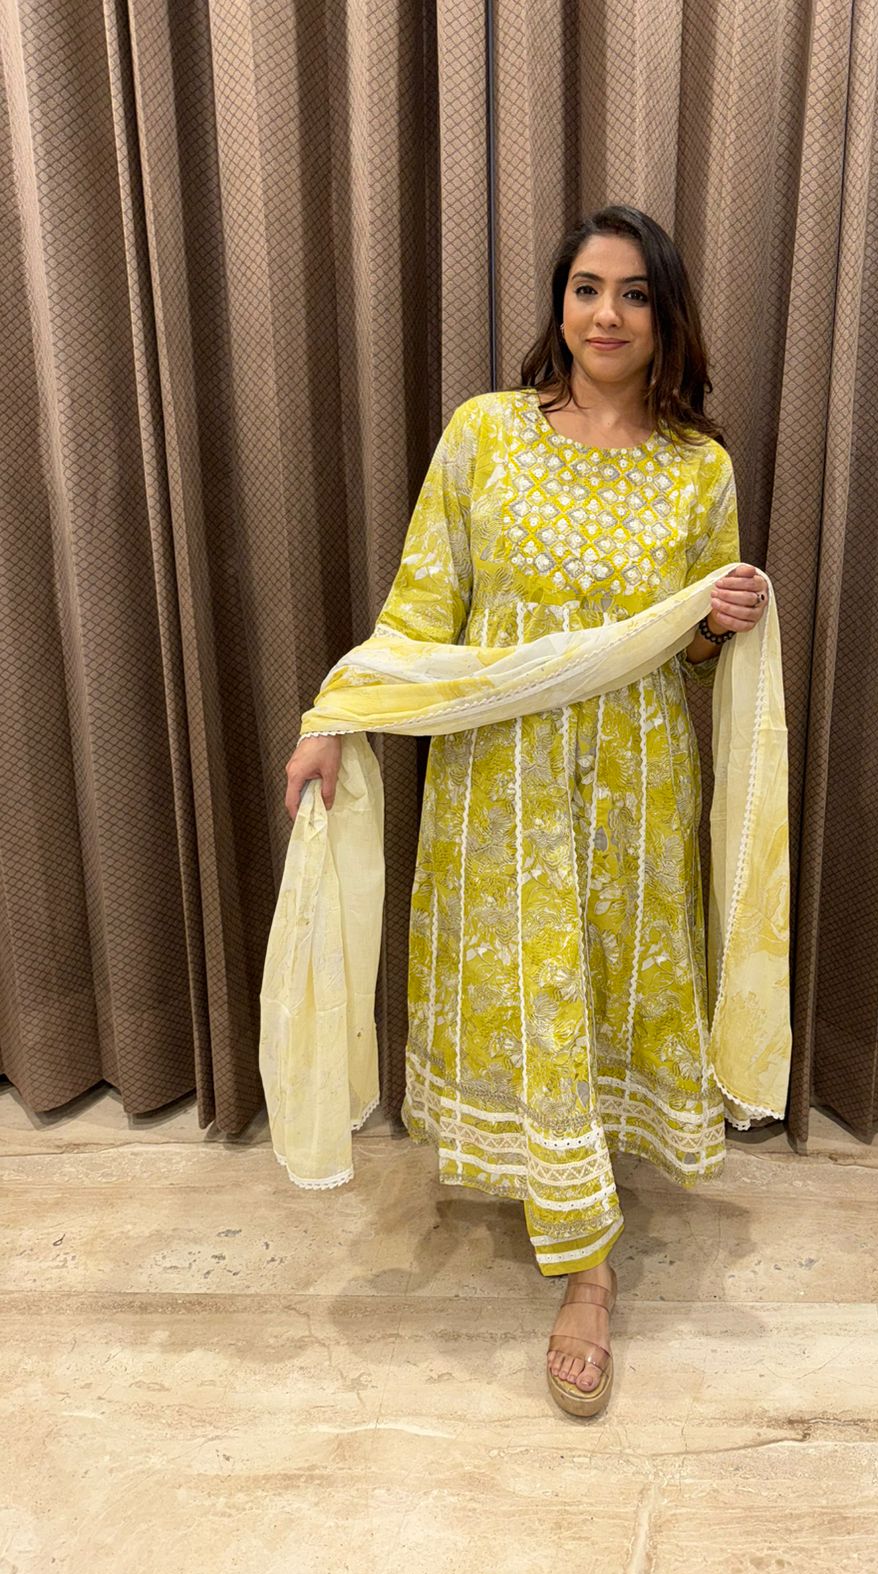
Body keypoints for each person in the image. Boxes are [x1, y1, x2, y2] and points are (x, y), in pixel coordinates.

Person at [282, 204, 770, 1418]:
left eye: (635, 294)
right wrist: (334, 714)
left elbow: (689, 654)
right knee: (535, 990)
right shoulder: (486, 434)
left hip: (634, 788)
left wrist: (719, 624)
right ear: (560, 302)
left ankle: (586, 1237)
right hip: (500, 785)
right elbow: (421, 606)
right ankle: (585, 1261)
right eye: (587, 288)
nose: (607, 315)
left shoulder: (698, 468)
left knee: (598, 988)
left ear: (666, 316)